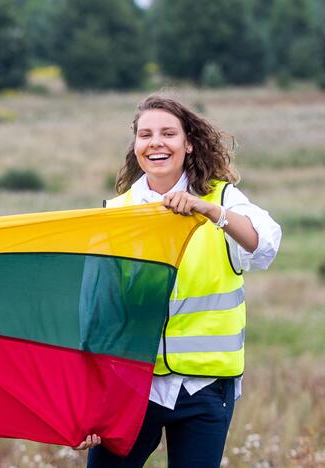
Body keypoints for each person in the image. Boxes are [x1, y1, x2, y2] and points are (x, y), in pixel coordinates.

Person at [81, 94, 281, 466]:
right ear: (136, 146)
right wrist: (93, 400)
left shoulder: (223, 199)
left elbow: (264, 245)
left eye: (168, 133)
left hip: (204, 388)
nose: (155, 142)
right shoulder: (115, 215)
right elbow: (99, 316)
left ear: (188, 143)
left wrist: (211, 211)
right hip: (131, 387)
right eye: (145, 135)